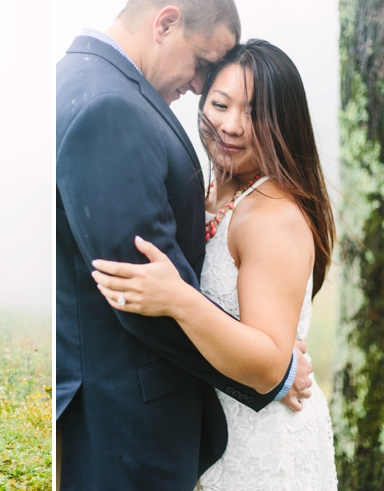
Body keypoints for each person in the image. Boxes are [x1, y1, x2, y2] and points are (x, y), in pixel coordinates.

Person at [56, 0, 312, 489]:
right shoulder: (113, 104)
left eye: (254, 111)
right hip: (129, 420)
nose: (199, 88)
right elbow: (138, 287)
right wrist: (274, 372)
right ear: (165, 23)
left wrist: (267, 359)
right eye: (203, 69)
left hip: (233, 436)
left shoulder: (81, 79)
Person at [93, 40, 337, 489]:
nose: (230, 125)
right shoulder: (206, 197)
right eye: (220, 104)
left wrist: (178, 299)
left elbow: (268, 366)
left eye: (254, 114)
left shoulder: (272, 215)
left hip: (261, 448)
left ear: (284, 123)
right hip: (206, 441)